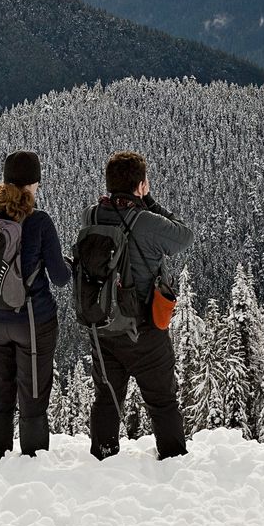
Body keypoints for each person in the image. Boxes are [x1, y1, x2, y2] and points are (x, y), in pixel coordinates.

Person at [0, 150, 70, 459]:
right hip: (33, 322)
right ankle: (32, 459)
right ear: (33, 185)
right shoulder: (39, 221)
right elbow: (60, 278)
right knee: (32, 394)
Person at [78, 150, 192, 460]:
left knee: (106, 398)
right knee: (162, 400)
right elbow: (183, 236)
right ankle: (172, 460)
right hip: (142, 329)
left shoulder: (91, 215)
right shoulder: (145, 221)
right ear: (141, 184)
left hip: (102, 326)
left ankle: (103, 458)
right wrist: (149, 200)